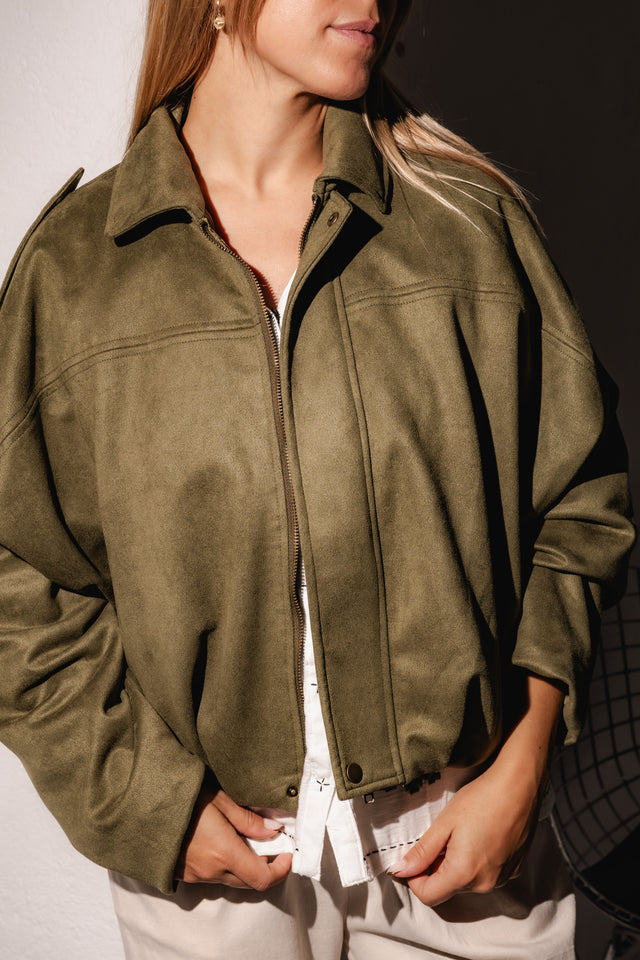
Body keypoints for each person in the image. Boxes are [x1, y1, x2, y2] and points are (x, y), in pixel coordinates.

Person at [0, 0, 634, 957]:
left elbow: (582, 504)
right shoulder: (78, 272)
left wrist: (527, 757)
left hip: (464, 842)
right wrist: (145, 798)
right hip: (216, 876)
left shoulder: (466, 225)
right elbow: (18, 581)